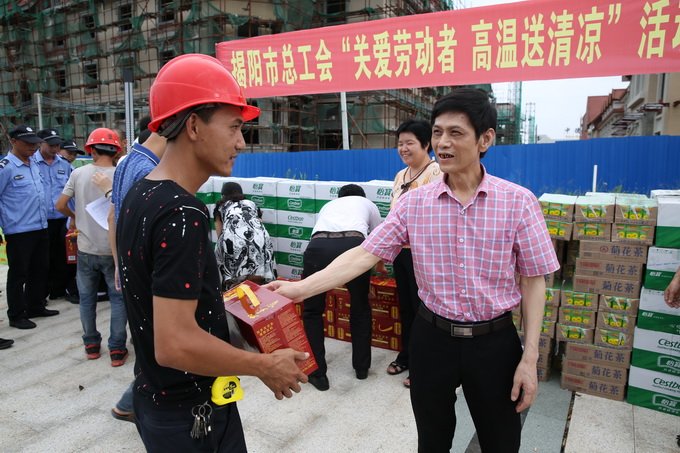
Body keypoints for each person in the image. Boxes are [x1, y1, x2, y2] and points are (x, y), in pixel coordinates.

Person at [267, 88, 559, 453]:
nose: (443, 143)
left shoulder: (518, 202)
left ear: (485, 139)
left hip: (494, 343)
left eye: (456, 133)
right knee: (431, 441)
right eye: (437, 132)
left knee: (500, 441)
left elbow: (534, 282)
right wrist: (300, 289)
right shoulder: (414, 203)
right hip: (432, 338)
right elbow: (364, 254)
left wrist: (530, 358)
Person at [116, 53, 308, 452]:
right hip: (191, 417)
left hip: (156, 403)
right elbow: (174, 343)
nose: (241, 142)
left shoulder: (141, 194)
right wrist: (263, 366)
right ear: (193, 126)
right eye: (234, 127)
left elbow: (165, 304)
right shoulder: (182, 213)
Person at [106, 115, 167, 423]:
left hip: (130, 265)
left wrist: (119, 263)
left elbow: (113, 217)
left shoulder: (127, 162)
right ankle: (132, 403)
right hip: (145, 272)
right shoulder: (150, 171)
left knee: (146, 338)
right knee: (156, 341)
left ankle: (135, 402)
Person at [56, 128, 128, 366]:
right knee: (118, 300)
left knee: (87, 299)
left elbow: (60, 205)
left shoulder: (78, 173)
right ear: (116, 151)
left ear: (91, 150)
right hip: (114, 252)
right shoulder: (121, 176)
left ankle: (91, 345)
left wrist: (75, 217)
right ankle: (117, 349)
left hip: (86, 250)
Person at [300, 183, 382, 391]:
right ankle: (361, 369)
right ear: (362, 196)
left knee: (312, 311)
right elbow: (378, 237)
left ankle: (318, 374)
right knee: (360, 307)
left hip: (318, 247)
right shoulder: (367, 203)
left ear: (339, 197)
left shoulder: (328, 206)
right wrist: (377, 268)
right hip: (353, 245)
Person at [386, 119, 442, 389]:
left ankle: (423, 364)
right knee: (407, 308)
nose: (403, 148)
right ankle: (407, 356)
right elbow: (393, 215)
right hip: (401, 253)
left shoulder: (436, 172)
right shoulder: (400, 175)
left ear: (426, 144)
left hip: (424, 254)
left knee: (424, 311)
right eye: (400, 143)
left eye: (410, 143)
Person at [0, 125, 57, 330]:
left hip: (40, 226)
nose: (33, 147)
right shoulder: (6, 168)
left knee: (40, 269)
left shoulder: (33, 164)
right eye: (27, 143)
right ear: (13, 141)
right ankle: (16, 315)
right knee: (19, 274)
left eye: (35, 143)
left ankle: (35, 305)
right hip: (19, 230)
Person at [213, 181, 276, 290]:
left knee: (221, 260)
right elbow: (258, 225)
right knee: (260, 276)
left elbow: (220, 233)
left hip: (234, 238)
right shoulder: (251, 204)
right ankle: (263, 291)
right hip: (259, 238)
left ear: (223, 195)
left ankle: (229, 291)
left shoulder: (221, 207)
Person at [34, 128, 72, 302]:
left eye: (57, 145)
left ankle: (59, 289)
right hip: (40, 220)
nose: (55, 148)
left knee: (61, 257)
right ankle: (41, 293)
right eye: (51, 145)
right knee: (41, 260)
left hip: (62, 219)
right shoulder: (31, 163)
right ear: (40, 143)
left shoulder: (64, 164)